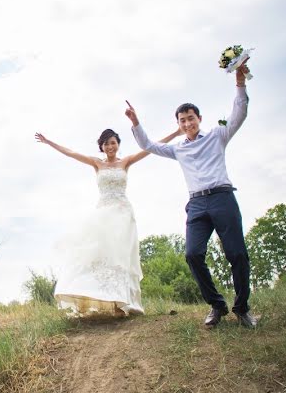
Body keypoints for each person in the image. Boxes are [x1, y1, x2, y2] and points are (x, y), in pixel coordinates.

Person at [124, 61, 257, 328]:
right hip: (196, 204)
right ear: (179, 124)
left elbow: (238, 114)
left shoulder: (218, 136)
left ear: (199, 119)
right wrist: (136, 122)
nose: (187, 123)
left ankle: (242, 309)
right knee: (193, 254)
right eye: (182, 121)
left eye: (190, 118)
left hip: (222, 198)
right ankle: (216, 305)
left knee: (237, 254)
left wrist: (240, 84)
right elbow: (148, 145)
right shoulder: (178, 150)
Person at [35, 126, 181, 316]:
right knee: (100, 254)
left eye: (113, 143)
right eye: (106, 143)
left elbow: (150, 147)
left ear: (118, 144)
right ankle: (99, 297)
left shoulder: (126, 162)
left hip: (123, 213)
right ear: (101, 147)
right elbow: (71, 153)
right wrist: (49, 142)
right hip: (103, 213)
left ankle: (122, 303)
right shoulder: (97, 164)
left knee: (120, 255)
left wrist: (176, 133)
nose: (110, 146)